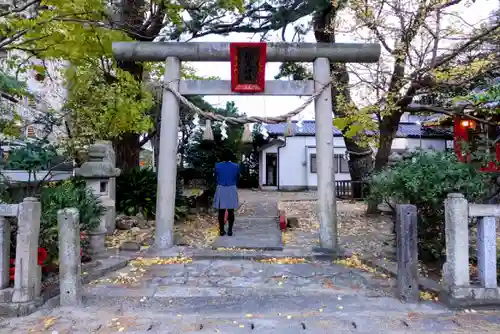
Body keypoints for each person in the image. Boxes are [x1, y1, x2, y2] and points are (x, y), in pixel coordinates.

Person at [213, 149, 240, 236]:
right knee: (231, 211)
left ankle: (221, 230)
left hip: (221, 188)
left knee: (221, 211)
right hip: (231, 187)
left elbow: (215, 177)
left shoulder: (217, 165)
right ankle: (230, 231)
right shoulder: (236, 166)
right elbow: (237, 177)